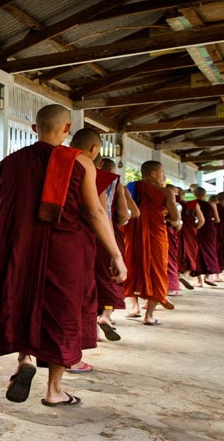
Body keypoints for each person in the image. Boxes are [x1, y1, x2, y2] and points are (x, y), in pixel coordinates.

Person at [0, 105, 125, 409]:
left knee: (25, 304)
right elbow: (96, 212)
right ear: (67, 129)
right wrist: (116, 254)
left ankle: (25, 359)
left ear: (35, 129)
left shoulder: (10, 164)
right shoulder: (80, 162)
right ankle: (55, 390)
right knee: (63, 315)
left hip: (23, 250)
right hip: (67, 254)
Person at [72, 133, 125, 347]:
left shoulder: (54, 165)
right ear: (95, 151)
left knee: (76, 288)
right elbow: (103, 213)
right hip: (99, 235)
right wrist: (116, 254)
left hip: (67, 239)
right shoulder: (105, 179)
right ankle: (103, 318)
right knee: (99, 284)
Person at [123, 161, 180, 325]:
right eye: (162, 172)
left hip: (132, 234)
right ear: (154, 174)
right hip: (156, 235)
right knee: (158, 270)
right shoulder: (166, 193)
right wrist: (166, 216)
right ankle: (149, 315)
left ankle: (134, 307)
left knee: (131, 265)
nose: (163, 176)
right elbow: (175, 218)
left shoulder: (129, 188)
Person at [190, 186, 220, 287]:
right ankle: (208, 277)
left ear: (194, 195)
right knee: (210, 251)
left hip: (197, 228)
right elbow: (217, 220)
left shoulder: (193, 203)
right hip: (209, 230)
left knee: (197, 252)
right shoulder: (211, 204)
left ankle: (199, 281)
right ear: (204, 194)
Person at [178, 189, 204, 290]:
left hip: (176, 231)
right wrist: (194, 228)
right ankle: (184, 275)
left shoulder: (170, 202)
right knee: (191, 254)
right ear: (184, 194)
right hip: (190, 232)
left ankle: (174, 283)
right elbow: (201, 221)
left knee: (176, 254)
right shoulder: (193, 204)